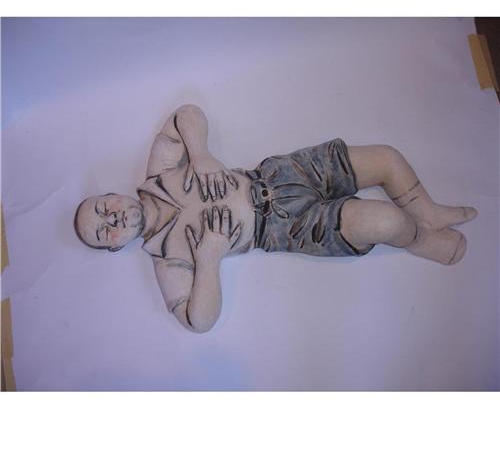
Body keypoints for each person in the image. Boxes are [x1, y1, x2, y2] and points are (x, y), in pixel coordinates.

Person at [74, 105, 478, 333]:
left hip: (282, 174)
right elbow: (198, 321)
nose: (111, 219)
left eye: (101, 209)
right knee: (385, 223)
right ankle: (420, 238)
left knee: (386, 158)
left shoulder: (160, 171)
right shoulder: (168, 261)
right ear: (115, 248)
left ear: (111, 194)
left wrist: (200, 154)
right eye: (104, 233)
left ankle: (425, 210)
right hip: (286, 227)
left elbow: (186, 114)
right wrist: (209, 259)